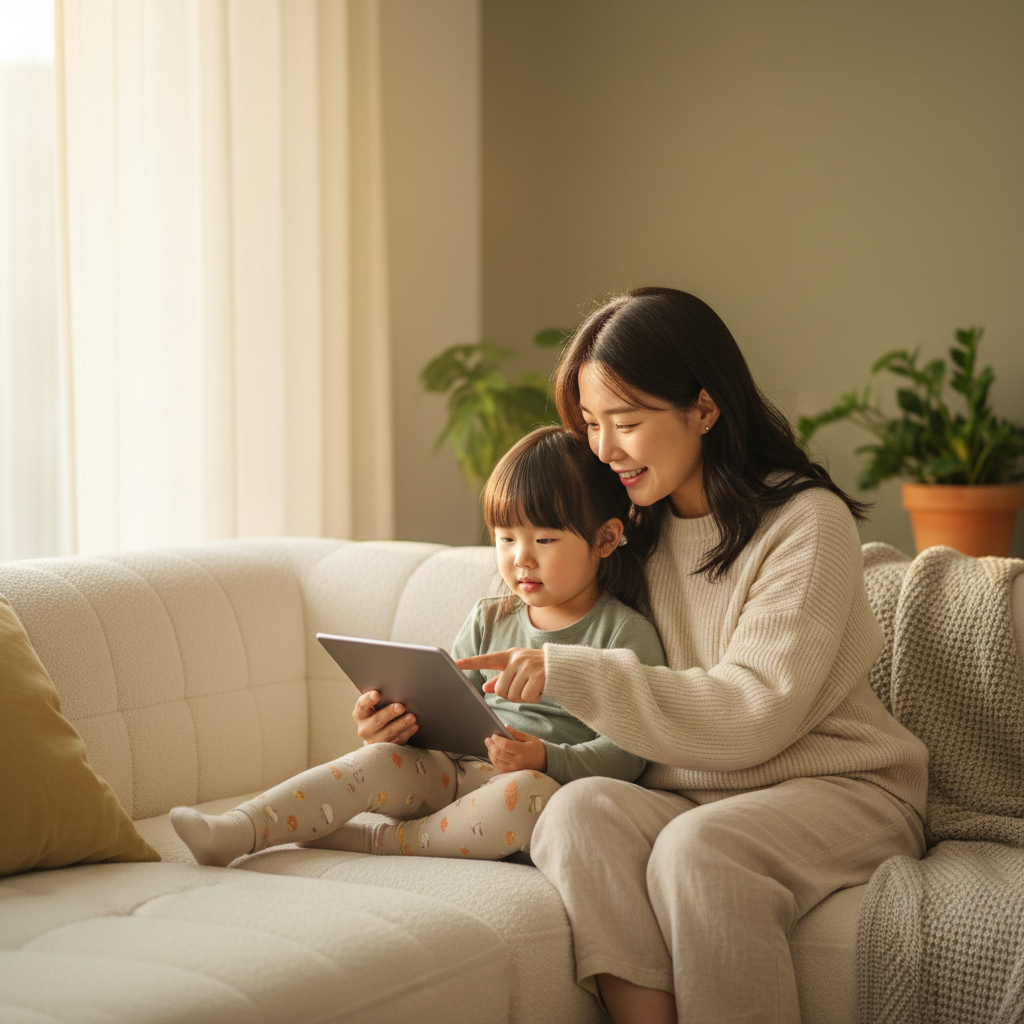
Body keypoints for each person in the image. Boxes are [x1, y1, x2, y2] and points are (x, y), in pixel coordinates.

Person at [457, 288, 929, 1024]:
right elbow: (529, 601)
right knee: (578, 814)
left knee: (699, 850)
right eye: (589, 424)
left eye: (627, 422)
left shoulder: (806, 523)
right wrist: (422, 709)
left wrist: (572, 674)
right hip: (687, 790)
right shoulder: (627, 527)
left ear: (704, 410)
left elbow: (754, 712)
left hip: (842, 788)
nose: (603, 449)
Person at [171, 424, 665, 868]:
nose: (520, 559)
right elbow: (454, 708)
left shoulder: (623, 634)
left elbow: (631, 753)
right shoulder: (489, 617)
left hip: (539, 792)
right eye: (506, 538)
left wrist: (546, 758)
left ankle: (380, 843)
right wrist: (397, 728)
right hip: (453, 774)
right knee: (375, 762)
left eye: (545, 540)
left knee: (524, 794)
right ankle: (240, 829)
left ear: (604, 539)